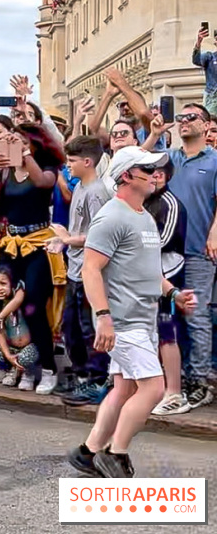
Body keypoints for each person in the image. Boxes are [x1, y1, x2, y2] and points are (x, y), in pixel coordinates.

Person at [68, 146, 196, 479]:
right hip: (124, 321)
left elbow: (149, 269)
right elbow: (91, 270)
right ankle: (115, 453)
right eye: (147, 169)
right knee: (153, 389)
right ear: (127, 175)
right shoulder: (111, 216)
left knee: (124, 388)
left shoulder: (142, 216)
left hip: (144, 317)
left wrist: (174, 293)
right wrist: (104, 316)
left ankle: (89, 452)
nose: (156, 174)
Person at [0, 123, 65, 395]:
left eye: (18, 140)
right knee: (1, 300)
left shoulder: (45, 168)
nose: (12, 144)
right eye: (10, 141)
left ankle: (48, 368)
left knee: (33, 305)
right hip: (11, 242)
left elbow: (43, 183)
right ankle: (9, 365)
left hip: (37, 243)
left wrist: (24, 155)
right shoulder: (6, 170)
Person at [154, 103, 217, 409]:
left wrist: (214, 232)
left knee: (196, 314)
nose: (183, 122)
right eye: (180, 117)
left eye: (192, 117)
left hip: (197, 251)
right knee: (170, 317)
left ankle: (200, 380)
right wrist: (154, 134)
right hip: (165, 254)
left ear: (207, 126)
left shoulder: (215, 160)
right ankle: (172, 380)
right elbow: (128, 169)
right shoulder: (171, 158)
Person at [48, 136, 112, 405]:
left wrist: (66, 239)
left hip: (88, 270)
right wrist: (63, 239)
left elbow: (98, 237)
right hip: (75, 268)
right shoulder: (81, 189)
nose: (67, 166)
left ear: (88, 161)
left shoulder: (96, 192)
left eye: (72, 161)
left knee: (88, 329)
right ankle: (82, 374)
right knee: (71, 328)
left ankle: (97, 379)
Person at [145, 160, 190, 415]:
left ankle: (174, 392)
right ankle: (156, 388)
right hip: (146, 277)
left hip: (169, 277)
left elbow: (163, 240)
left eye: (160, 173)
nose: (155, 177)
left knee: (167, 332)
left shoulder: (171, 204)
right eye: (151, 172)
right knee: (150, 333)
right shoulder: (144, 200)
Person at [193, 25, 217, 116]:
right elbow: (196, 60)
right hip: (213, 97)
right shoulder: (210, 57)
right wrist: (198, 42)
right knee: (211, 122)